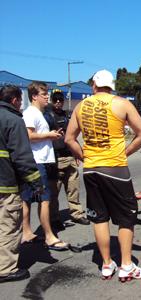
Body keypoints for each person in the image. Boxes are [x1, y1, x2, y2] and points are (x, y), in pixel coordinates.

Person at [65, 70, 141, 281]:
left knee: (99, 218)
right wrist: (126, 152)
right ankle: (127, 265)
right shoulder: (122, 104)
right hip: (115, 168)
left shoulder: (80, 106)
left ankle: (106, 264)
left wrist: (84, 156)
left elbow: (69, 139)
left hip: (92, 169)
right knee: (126, 218)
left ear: (94, 85)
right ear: (111, 86)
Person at [0, 86, 43, 282]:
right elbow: (22, 157)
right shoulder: (14, 120)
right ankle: (6, 269)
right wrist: (36, 183)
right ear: (16, 100)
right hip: (6, 183)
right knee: (8, 224)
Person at [21, 82, 69, 250]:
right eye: (44, 94)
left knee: (29, 198)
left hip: (43, 160)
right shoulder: (30, 113)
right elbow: (28, 135)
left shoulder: (39, 113)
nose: (47, 96)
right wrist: (49, 135)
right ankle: (49, 236)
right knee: (44, 199)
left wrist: (51, 136)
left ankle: (27, 233)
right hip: (37, 161)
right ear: (34, 96)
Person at [43, 90, 89, 227]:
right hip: (55, 159)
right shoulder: (46, 116)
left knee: (73, 189)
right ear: (52, 100)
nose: (58, 102)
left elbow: (72, 137)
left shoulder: (67, 115)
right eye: (55, 99)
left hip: (69, 157)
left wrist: (77, 153)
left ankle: (77, 214)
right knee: (53, 193)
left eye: (60, 100)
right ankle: (54, 218)